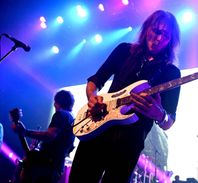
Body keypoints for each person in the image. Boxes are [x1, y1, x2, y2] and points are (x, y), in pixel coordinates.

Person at [69, 9, 181, 183]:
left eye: (165, 36)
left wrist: (158, 114)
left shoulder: (171, 73)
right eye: (156, 31)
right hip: (97, 129)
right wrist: (92, 97)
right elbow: (95, 81)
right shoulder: (124, 51)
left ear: (171, 41)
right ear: (147, 28)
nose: (159, 38)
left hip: (129, 143)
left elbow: (169, 120)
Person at [11, 90, 76, 183]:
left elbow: (50, 135)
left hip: (46, 167)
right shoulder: (71, 118)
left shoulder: (61, 114)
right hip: (56, 168)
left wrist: (25, 132)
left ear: (56, 102)